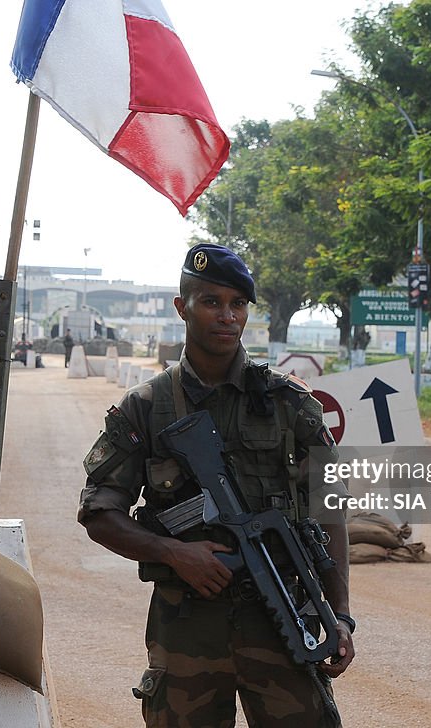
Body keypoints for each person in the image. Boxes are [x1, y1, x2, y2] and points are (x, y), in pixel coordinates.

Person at [78, 243, 355, 727]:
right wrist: (172, 553)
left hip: (282, 618)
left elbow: (329, 511)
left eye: (238, 304)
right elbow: (100, 512)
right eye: (211, 302)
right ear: (182, 307)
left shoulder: (290, 404)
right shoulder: (146, 406)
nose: (227, 316)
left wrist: (340, 616)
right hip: (186, 628)